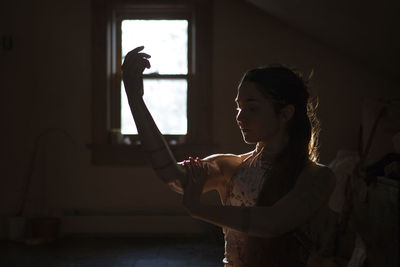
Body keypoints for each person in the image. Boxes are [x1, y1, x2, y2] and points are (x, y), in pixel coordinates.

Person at [122, 46, 338, 267]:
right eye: (238, 107)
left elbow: (273, 223)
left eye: (252, 108)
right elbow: (172, 175)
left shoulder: (319, 176)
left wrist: (199, 209)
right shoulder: (231, 167)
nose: (240, 117)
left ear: (285, 113)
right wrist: (135, 100)